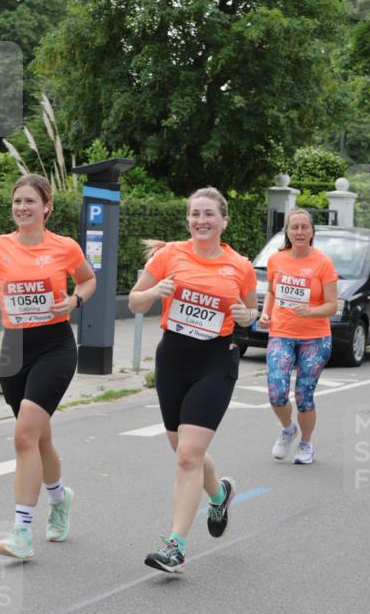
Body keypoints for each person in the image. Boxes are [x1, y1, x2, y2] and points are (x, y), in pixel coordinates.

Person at [128, 187, 257, 573]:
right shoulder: (170, 255)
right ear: (188, 219)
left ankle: (176, 546)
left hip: (215, 360)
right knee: (184, 450)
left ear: (224, 221)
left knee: (188, 456)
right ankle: (220, 494)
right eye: (195, 213)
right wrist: (153, 290)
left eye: (209, 214)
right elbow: (135, 301)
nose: (201, 220)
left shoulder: (240, 265)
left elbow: (251, 313)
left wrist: (248, 316)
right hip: (173, 358)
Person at [0, 174, 97, 560]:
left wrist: (74, 300)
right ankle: (60, 499)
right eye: (17, 201)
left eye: (29, 202)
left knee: (24, 436)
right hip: (15, 349)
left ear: (47, 207)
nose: (22, 208)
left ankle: (21, 532)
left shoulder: (64, 247)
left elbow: (89, 281)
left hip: (55, 347)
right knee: (39, 440)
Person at [258, 209, 338, 464]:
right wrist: (265, 313)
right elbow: (271, 291)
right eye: (295, 227)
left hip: (315, 338)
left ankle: (306, 443)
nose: (300, 232)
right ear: (287, 232)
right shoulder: (276, 260)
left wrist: (311, 311)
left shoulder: (323, 263)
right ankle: (287, 429)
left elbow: (333, 305)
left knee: (304, 396)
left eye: (305, 227)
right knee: (276, 391)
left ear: (312, 232)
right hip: (281, 333)